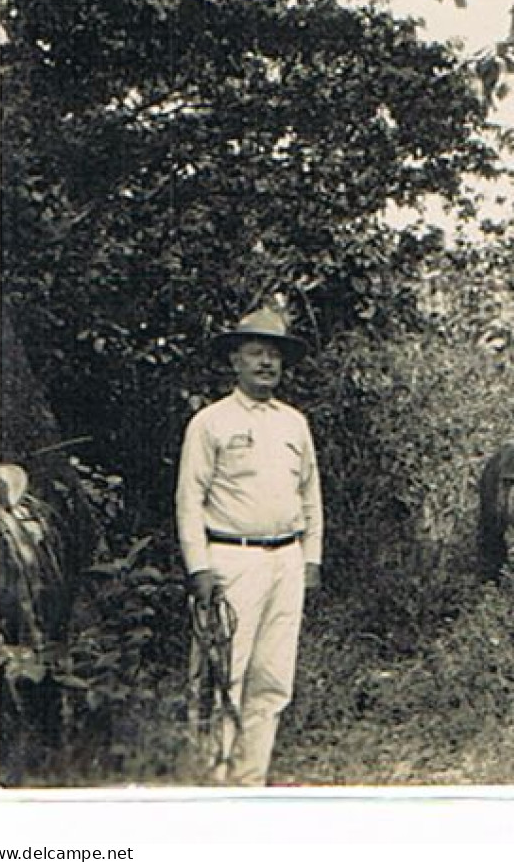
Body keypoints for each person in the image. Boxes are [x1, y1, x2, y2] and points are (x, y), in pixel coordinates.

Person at [176, 306, 323, 786]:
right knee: (223, 676)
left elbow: (310, 496)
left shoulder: (294, 423)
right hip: (230, 561)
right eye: (256, 353)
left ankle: (250, 782)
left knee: (273, 678)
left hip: (286, 560)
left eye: (274, 355)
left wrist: (311, 558)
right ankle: (213, 781)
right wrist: (199, 567)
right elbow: (189, 500)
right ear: (235, 360)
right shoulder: (210, 423)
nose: (266, 364)